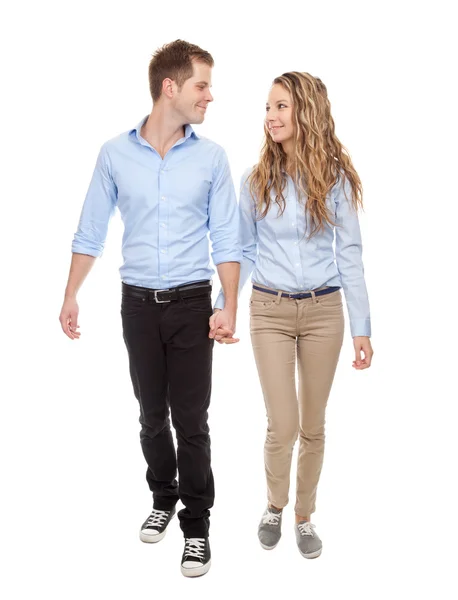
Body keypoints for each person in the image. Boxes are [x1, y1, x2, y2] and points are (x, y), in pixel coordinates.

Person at [59, 40, 241, 578]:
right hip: (136, 304)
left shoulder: (212, 157)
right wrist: (71, 293)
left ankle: (197, 524)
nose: (210, 95)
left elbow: (227, 238)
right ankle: (162, 496)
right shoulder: (115, 154)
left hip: (191, 304)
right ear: (171, 88)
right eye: (202, 85)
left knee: (192, 419)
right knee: (149, 415)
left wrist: (228, 305)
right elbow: (91, 230)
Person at [211, 71, 373, 559]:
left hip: (325, 312)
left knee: (313, 425)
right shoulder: (256, 180)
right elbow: (242, 248)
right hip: (270, 310)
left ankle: (304, 515)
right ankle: (274, 505)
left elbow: (350, 254)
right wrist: (228, 307)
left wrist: (362, 327)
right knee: (282, 424)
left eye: (281, 107)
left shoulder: (336, 180)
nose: (270, 117)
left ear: (306, 112)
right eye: (267, 107)